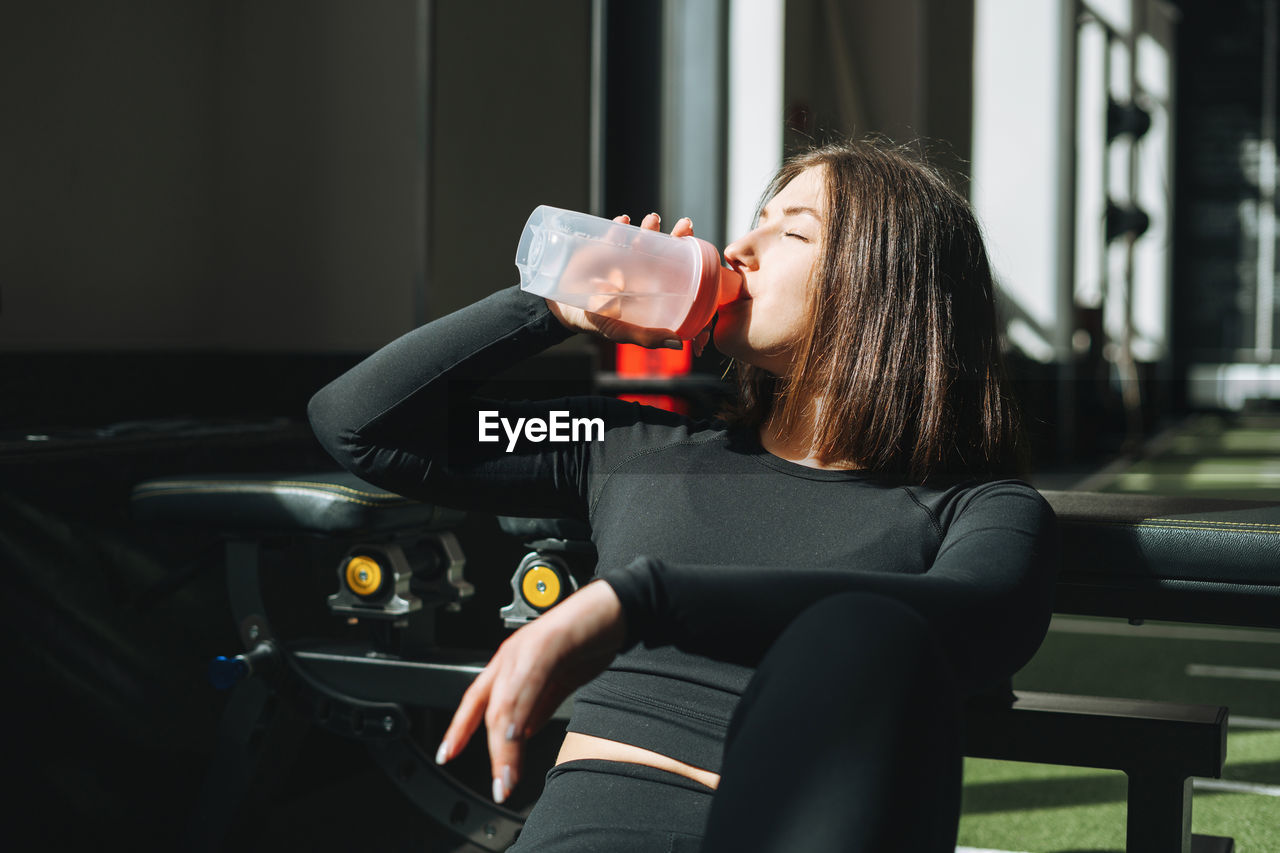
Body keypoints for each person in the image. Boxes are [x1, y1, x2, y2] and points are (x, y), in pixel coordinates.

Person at [307, 139, 1059, 852]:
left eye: (792, 234)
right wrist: (553, 306)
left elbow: (968, 621)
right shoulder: (632, 446)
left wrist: (640, 601)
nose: (740, 249)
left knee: (871, 634)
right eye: (756, 220)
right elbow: (359, 424)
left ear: (889, 284)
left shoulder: (978, 507)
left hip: (792, 828)